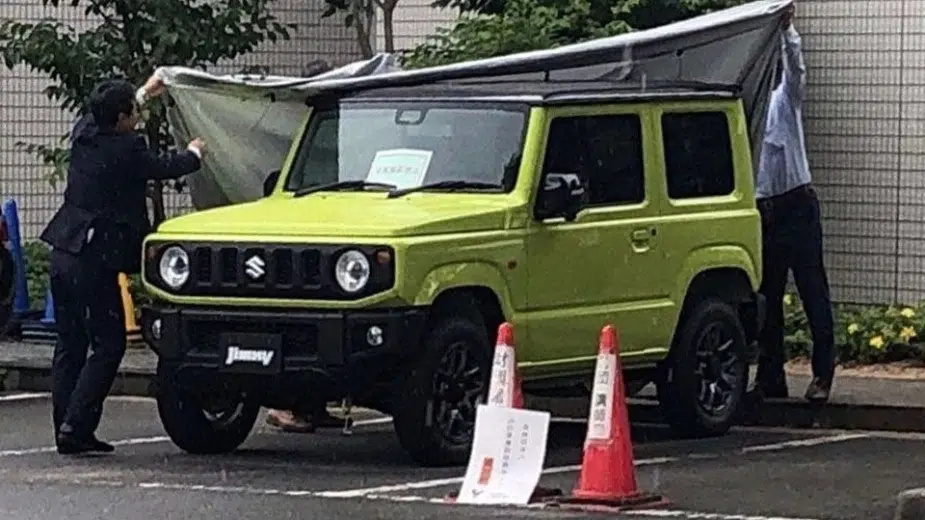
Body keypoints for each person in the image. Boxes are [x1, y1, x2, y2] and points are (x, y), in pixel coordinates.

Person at [40, 74, 206, 454]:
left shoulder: (85, 132)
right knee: (109, 342)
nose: (136, 117)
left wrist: (146, 91)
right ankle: (77, 427)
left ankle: (65, 425)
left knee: (69, 342)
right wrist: (195, 153)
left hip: (63, 249)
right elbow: (166, 166)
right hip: (92, 259)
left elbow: (111, 114)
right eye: (133, 112)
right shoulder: (127, 149)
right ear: (120, 119)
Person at [755, 4, 835, 403]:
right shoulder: (745, 111)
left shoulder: (784, 101)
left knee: (812, 290)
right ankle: (771, 377)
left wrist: (788, 32)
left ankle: (823, 374)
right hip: (763, 212)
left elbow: (796, 72)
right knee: (767, 297)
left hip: (797, 206)